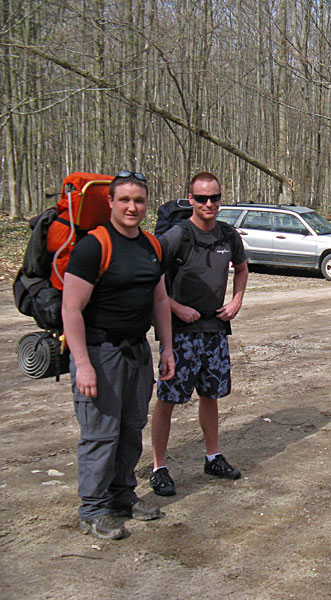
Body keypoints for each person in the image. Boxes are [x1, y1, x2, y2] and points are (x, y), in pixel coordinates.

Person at [62, 170, 176, 540]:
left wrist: (167, 348)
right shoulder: (94, 245)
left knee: (131, 429)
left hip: (137, 351)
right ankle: (93, 509)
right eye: (124, 200)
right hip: (100, 353)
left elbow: (159, 299)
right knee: (100, 434)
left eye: (139, 200)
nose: (132, 207)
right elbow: (71, 309)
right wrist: (82, 364)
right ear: (110, 202)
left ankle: (122, 495)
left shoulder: (151, 245)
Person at [149, 172, 248, 496]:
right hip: (179, 334)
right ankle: (159, 466)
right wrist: (176, 308)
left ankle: (212, 456)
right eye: (202, 198)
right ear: (190, 199)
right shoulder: (177, 235)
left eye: (214, 198)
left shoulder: (227, 235)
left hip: (214, 330)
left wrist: (236, 300)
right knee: (168, 399)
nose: (209, 204)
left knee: (211, 395)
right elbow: (153, 278)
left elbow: (242, 267)